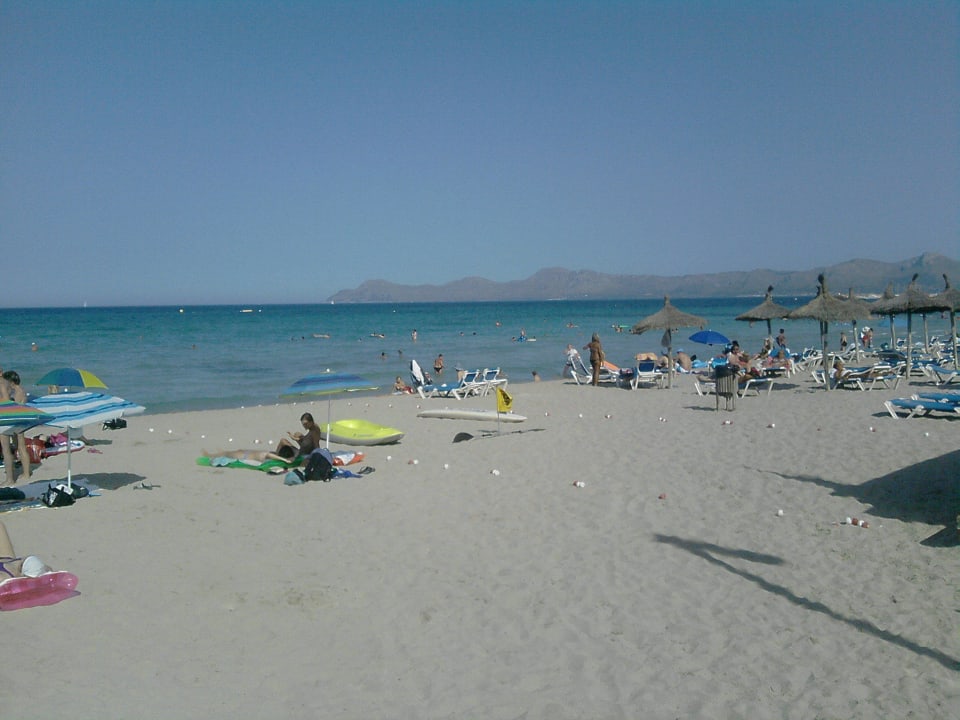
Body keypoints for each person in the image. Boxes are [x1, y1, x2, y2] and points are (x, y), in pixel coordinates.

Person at [2, 371, 31, 480]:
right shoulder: (20, 390)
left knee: (21, 447)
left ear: (11, 382)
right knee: (19, 446)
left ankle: (26, 473)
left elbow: (17, 407)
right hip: (21, 420)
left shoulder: (18, 392)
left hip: (19, 421)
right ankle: (25, 471)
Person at [0, 373, 16, 487]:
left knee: (5, 449)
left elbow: (5, 401)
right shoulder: (6, 382)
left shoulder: (1, 383)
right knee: (7, 449)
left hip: (3, 417)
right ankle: (11, 475)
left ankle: (10, 479)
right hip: (7, 416)